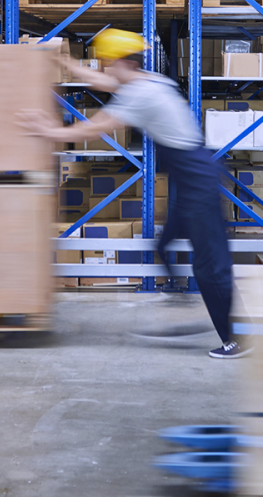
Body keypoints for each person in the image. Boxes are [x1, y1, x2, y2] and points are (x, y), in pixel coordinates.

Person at [18, 29, 245, 360]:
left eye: (109, 63)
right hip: (192, 174)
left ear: (123, 62)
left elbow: (93, 128)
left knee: (210, 266)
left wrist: (47, 131)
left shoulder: (140, 95)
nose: (106, 69)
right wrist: (62, 60)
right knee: (163, 243)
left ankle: (234, 338)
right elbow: (102, 83)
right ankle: (178, 297)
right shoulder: (146, 80)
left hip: (197, 182)